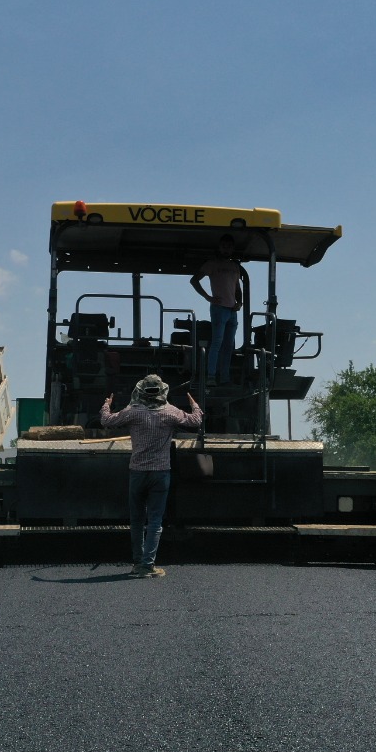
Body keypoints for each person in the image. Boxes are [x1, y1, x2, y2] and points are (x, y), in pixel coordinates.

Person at [100, 374, 204, 578]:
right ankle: (148, 565)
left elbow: (106, 420)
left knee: (137, 520)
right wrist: (194, 404)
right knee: (155, 521)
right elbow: (196, 420)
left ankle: (137, 562)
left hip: (137, 473)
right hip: (160, 473)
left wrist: (106, 404)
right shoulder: (170, 412)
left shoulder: (133, 412)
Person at [190, 234, 244, 386]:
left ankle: (225, 377)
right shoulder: (212, 264)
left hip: (232, 310)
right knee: (217, 343)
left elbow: (237, 288)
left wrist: (239, 302)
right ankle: (211, 376)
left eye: (229, 246)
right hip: (219, 308)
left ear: (232, 248)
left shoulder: (235, 266)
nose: (226, 249)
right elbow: (194, 280)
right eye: (224, 246)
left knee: (229, 345)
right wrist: (208, 297)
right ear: (219, 247)